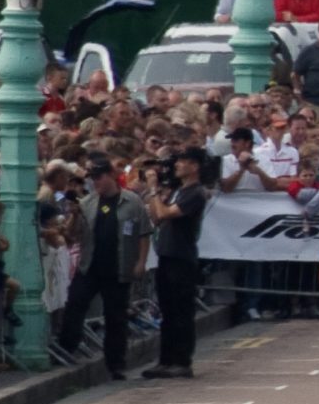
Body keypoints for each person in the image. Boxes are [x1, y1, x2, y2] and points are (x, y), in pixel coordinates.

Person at [59, 156, 149, 380]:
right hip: (90, 265)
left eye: (98, 177)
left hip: (118, 267)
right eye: (92, 179)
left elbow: (143, 233)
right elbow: (71, 235)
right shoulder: (88, 202)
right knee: (75, 304)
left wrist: (140, 262)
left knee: (115, 317)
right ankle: (67, 346)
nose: (95, 183)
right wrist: (74, 215)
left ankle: (116, 363)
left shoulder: (132, 201)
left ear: (110, 176)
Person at [143, 149, 208, 379]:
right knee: (168, 311)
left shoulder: (195, 193)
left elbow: (167, 213)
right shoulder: (179, 191)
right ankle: (166, 359)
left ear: (195, 166)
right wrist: (157, 193)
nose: (178, 165)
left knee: (181, 311)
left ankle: (182, 360)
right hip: (167, 254)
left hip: (182, 257)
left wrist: (153, 188)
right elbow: (156, 216)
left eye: (184, 162)